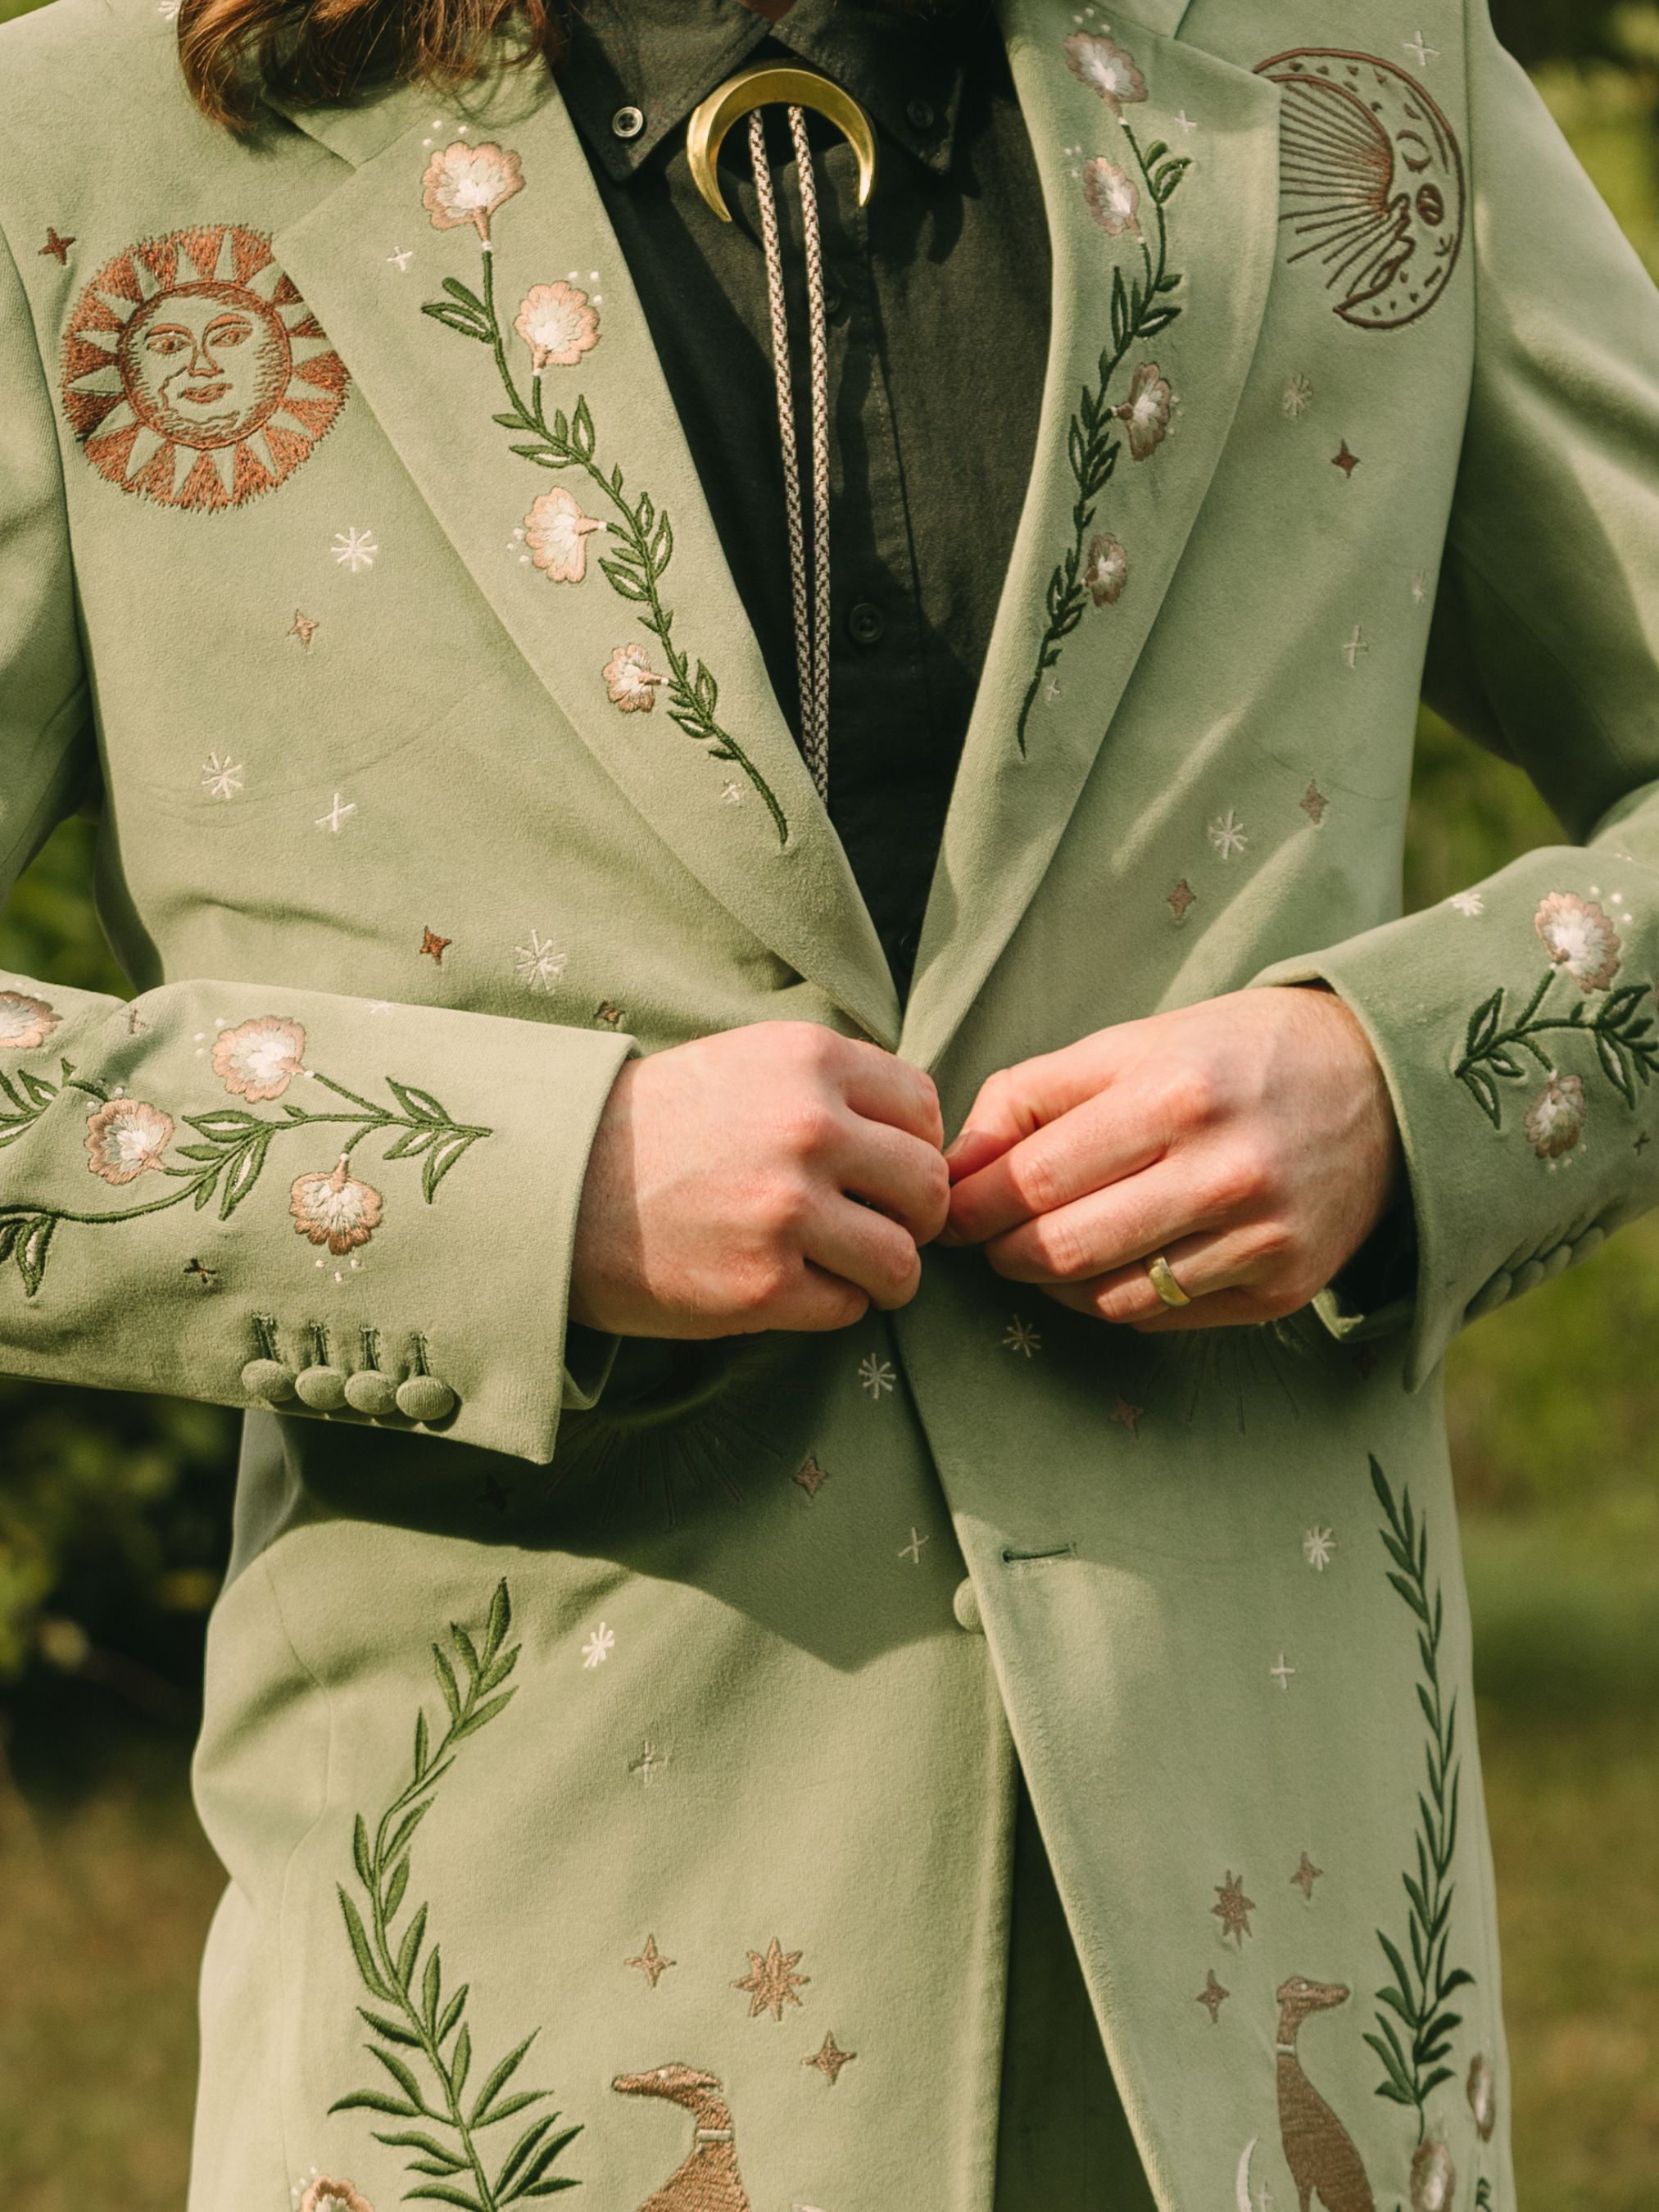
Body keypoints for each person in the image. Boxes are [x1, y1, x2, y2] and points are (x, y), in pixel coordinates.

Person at [0, 0, 1652, 2201]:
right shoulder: (78, 150)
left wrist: (1406, 1079)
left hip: (1279, 2009)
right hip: (517, 2013)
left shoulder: (1359, 58)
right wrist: (531, 1191)